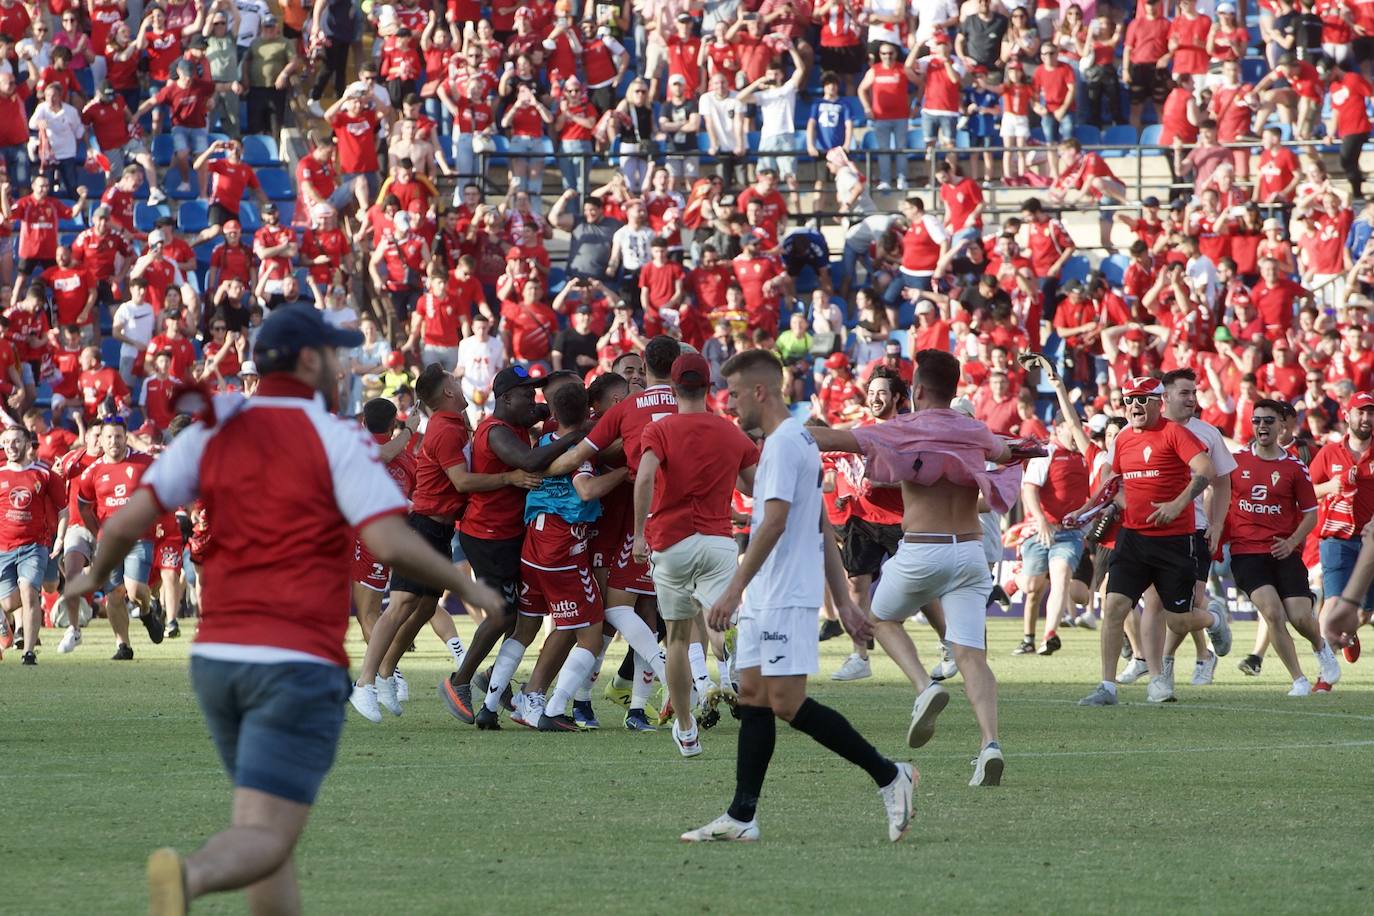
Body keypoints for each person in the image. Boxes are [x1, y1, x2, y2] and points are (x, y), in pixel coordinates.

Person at [65, 305, 503, 916]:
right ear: (306, 360)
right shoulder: (335, 435)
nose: (342, 365)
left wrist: (92, 573)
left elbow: (132, 515)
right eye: (334, 353)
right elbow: (388, 539)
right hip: (293, 662)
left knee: (266, 829)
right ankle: (184, 880)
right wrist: (470, 587)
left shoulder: (213, 426)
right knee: (268, 836)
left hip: (218, 661)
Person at [681, 348, 915, 844]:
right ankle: (742, 816)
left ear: (760, 392)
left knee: (786, 703)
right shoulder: (793, 442)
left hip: (784, 594)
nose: (732, 403)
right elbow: (818, 521)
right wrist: (847, 602)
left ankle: (891, 776)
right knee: (752, 698)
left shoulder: (788, 444)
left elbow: (779, 522)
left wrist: (731, 589)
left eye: (737, 393)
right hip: (768, 594)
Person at [812, 348, 1025, 781]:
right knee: (970, 655)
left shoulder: (901, 428)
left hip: (923, 547)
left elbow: (835, 439)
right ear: (953, 389)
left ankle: (924, 687)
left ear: (919, 390)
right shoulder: (975, 430)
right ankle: (990, 744)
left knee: (880, 620)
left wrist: (783, 434)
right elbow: (1010, 455)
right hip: (968, 552)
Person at [437, 365, 590, 726]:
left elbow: (546, 408)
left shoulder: (516, 419)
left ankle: (494, 679)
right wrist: (583, 434)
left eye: (535, 394)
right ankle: (458, 682)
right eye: (526, 393)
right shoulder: (496, 432)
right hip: (487, 534)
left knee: (524, 616)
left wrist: (559, 404)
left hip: (507, 532)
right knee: (504, 613)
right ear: (505, 398)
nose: (534, 400)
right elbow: (532, 462)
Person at [633, 352, 757, 756]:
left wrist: (638, 534)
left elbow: (647, 475)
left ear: (672, 387)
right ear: (710, 388)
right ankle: (733, 650)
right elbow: (755, 486)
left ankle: (687, 729)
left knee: (679, 638)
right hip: (719, 539)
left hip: (671, 541)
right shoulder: (730, 432)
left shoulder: (661, 429)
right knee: (718, 618)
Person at [1076, 377, 1226, 707]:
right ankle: (1107, 686)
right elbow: (1111, 482)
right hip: (1132, 538)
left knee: (1179, 620)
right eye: (1129, 400)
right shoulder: (1125, 438)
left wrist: (1177, 504)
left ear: (1159, 402)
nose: (1134, 406)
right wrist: (1085, 509)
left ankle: (1213, 618)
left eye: (1142, 399)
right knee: (1114, 606)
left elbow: (1206, 469)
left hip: (1175, 541)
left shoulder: (1176, 433)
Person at [1229, 399, 1342, 694]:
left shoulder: (1294, 467)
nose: (1262, 426)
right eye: (1256, 421)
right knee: (1273, 612)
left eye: (1268, 420)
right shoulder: (1236, 461)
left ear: (1282, 425)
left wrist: (1292, 541)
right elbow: (1218, 498)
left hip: (1285, 551)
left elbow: (1310, 514)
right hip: (1246, 551)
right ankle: (1299, 680)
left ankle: (1321, 648)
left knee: (1300, 617)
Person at [0, 425, 62, 665]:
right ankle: (6, 623)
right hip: (4, 547)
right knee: (8, 602)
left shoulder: (43, 473)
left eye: (16, 441)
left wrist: (61, 537)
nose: (11, 446)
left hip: (34, 546)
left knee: (29, 591)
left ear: (27, 444)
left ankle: (28, 651)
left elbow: (63, 508)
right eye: (7, 442)